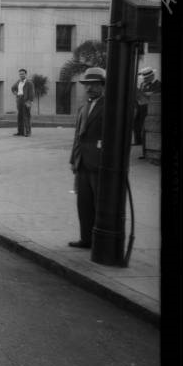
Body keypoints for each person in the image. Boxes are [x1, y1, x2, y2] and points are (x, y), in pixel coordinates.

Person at [68, 67, 107, 249]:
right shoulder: (84, 107)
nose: (89, 88)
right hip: (82, 162)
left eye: (94, 85)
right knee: (83, 203)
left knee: (101, 204)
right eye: (87, 85)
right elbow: (78, 135)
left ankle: (101, 241)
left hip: (99, 164)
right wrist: (73, 159)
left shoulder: (109, 105)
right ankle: (86, 239)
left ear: (102, 86)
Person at [133, 67, 160, 158]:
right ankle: (144, 152)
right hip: (141, 109)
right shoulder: (142, 85)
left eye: (147, 77)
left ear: (152, 76)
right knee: (142, 131)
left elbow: (155, 97)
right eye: (144, 78)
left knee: (148, 131)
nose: (145, 79)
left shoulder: (158, 84)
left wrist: (146, 95)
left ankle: (149, 153)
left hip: (151, 111)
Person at [11, 68, 36, 136]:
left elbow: (32, 93)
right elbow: (13, 88)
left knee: (26, 116)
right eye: (20, 74)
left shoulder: (29, 83)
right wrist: (16, 93)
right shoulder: (18, 82)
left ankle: (28, 132)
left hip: (26, 100)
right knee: (19, 116)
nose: (21, 75)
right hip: (19, 99)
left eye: (23, 74)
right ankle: (20, 132)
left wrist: (30, 102)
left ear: (26, 74)